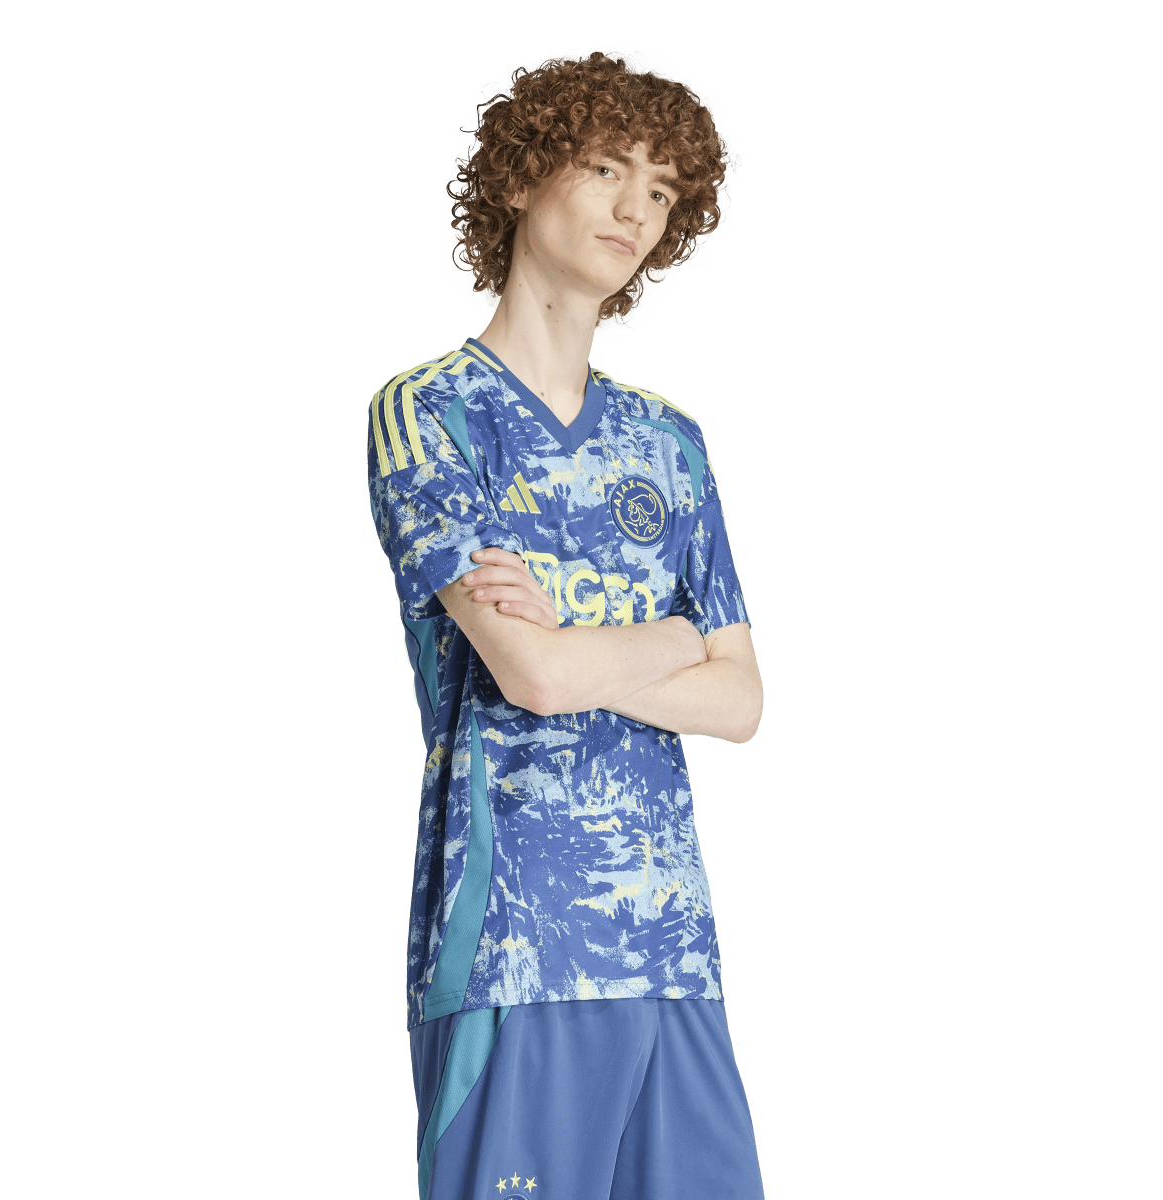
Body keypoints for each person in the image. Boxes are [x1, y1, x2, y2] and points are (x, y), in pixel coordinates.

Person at [367, 44, 766, 1200]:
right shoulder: (430, 412)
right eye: (606, 168)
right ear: (519, 176)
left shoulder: (671, 442)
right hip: (517, 943)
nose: (637, 209)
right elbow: (531, 680)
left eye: (663, 192)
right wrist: (669, 639)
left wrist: (586, 644)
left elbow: (742, 701)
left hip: (674, 947)